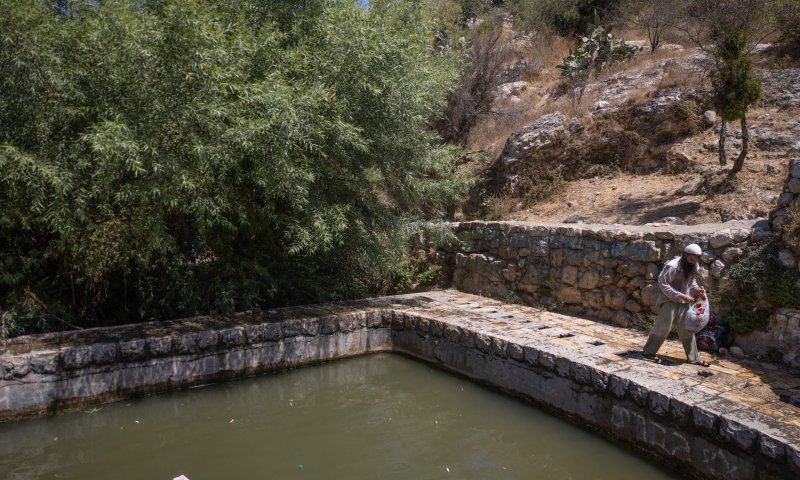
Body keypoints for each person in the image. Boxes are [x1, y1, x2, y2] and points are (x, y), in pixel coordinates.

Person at [642, 243, 710, 366]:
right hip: (669, 300)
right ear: (684, 255)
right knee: (663, 327)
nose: (692, 262)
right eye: (690, 259)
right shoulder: (672, 266)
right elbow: (663, 284)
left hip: (684, 302)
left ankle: (694, 358)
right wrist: (681, 295)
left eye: (695, 260)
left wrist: (697, 290)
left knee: (687, 328)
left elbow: (691, 282)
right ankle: (648, 352)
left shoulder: (693, 265)